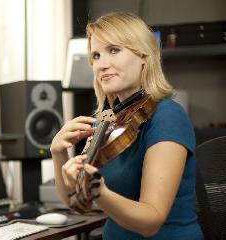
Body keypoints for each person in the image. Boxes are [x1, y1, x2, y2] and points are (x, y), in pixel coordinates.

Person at [50, 12, 203, 239]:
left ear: (143, 55)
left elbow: (151, 221)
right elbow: (75, 201)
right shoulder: (111, 121)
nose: (102, 65)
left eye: (114, 50)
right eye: (96, 56)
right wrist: (58, 152)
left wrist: (99, 192)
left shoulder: (167, 116)